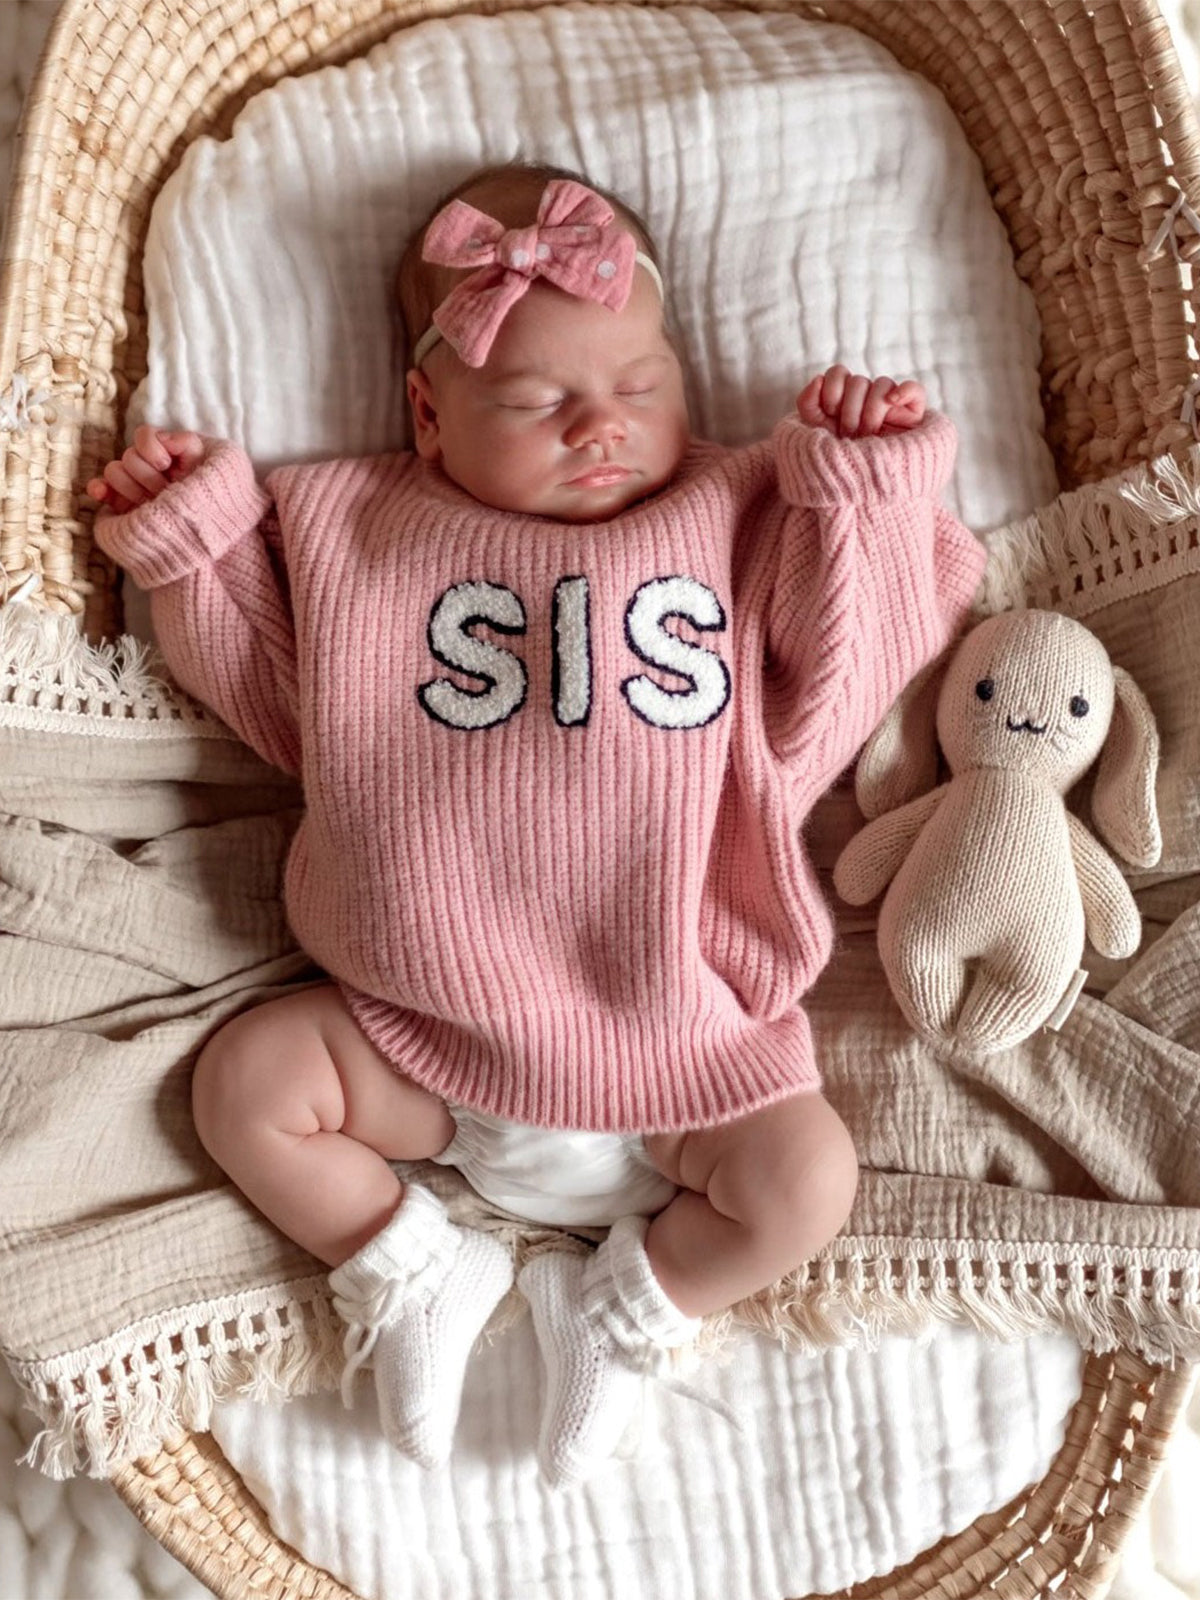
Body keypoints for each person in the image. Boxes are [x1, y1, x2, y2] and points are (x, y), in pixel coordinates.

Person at [89, 161, 987, 1488]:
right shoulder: (366, 537)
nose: (601, 428)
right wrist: (196, 539)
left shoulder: (729, 518)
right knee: (247, 1087)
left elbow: (855, 663)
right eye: (537, 400)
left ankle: (636, 1305)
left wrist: (861, 485)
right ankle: (407, 1265)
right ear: (429, 415)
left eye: (638, 387)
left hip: (689, 1047)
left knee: (807, 1183)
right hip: (423, 1034)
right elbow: (269, 692)